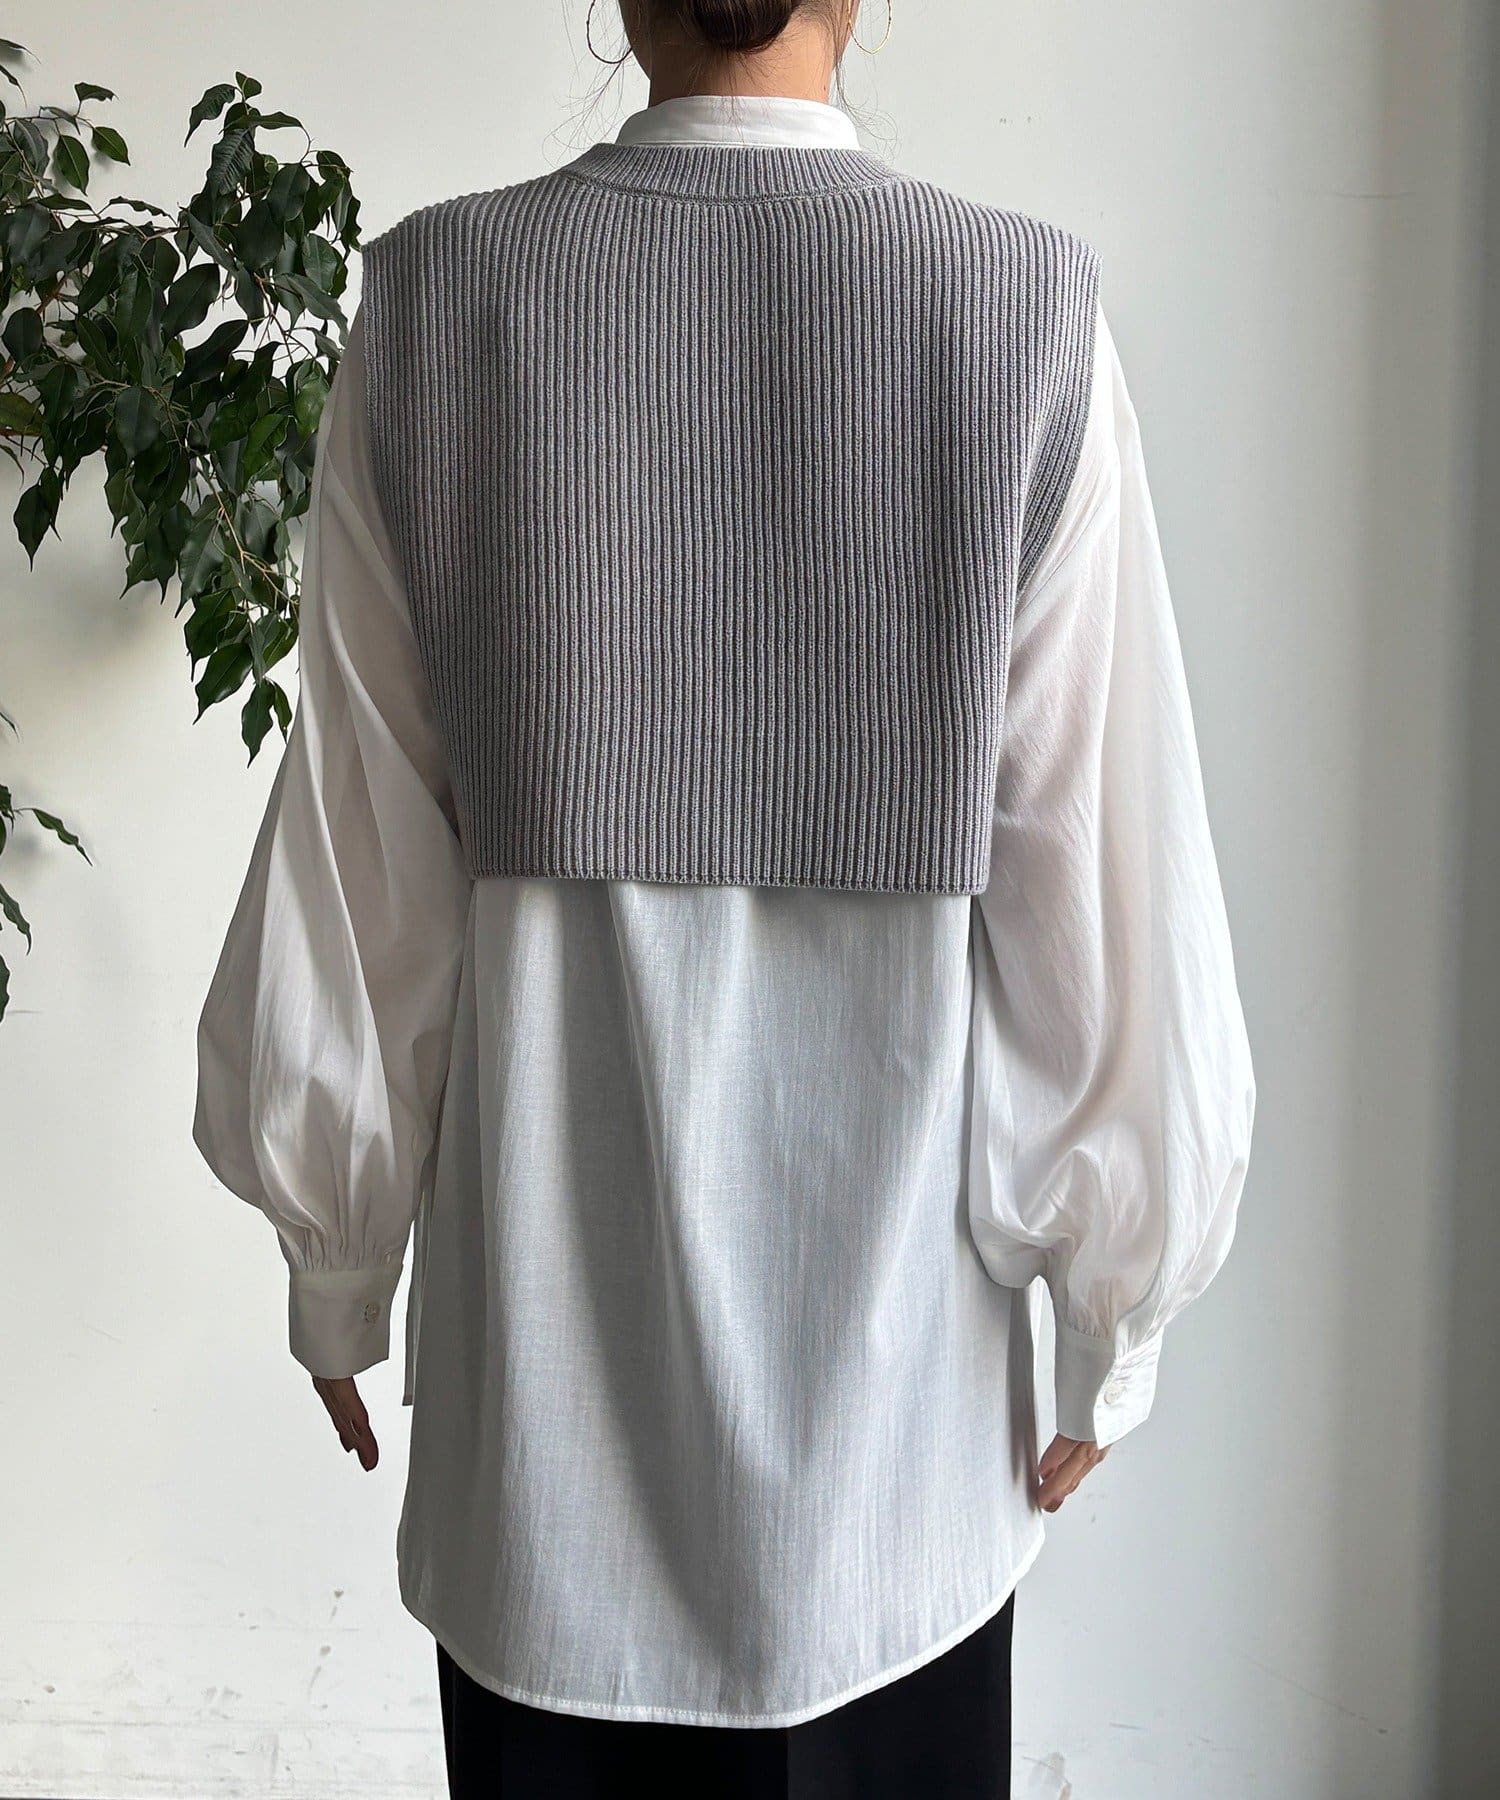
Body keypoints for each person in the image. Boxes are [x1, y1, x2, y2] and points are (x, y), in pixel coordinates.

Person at [192, 1, 1257, 1793]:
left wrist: (339, 1264)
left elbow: (364, 881)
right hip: (903, 1488)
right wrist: (1111, 1319)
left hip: (545, 1482)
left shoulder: (438, 308)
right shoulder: (1020, 317)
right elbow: (1101, 890)